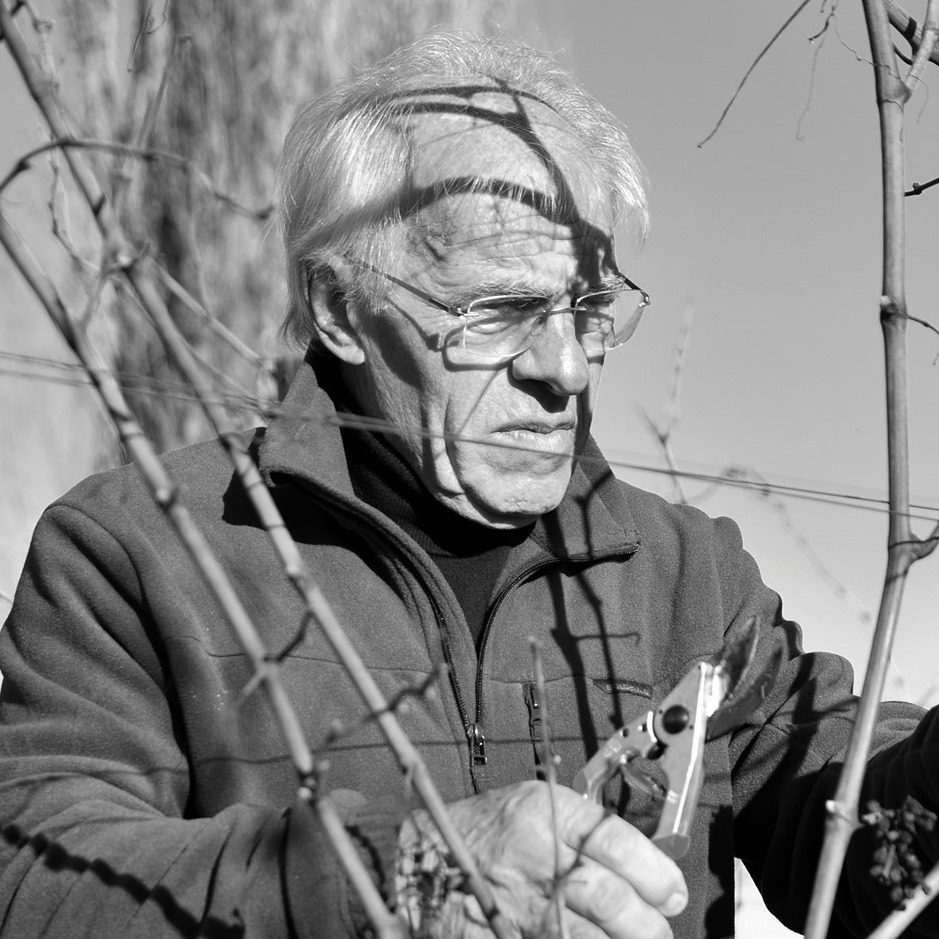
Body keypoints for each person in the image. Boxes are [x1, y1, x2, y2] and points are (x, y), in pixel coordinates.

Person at [0, 31, 936, 939]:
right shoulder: (135, 550)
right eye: (502, 313)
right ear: (340, 309)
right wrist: (410, 876)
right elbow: (33, 882)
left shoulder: (688, 575)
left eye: (590, 310)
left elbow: (854, 830)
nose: (566, 367)